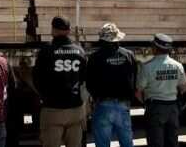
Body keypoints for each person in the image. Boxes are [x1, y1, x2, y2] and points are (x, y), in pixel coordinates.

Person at [32, 16, 87, 147]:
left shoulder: (46, 51)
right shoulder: (79, 51)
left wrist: (45, 96)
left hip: (53, 109)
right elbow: (84, 78)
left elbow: (37, 79)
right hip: (75, 109)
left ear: (53, 30)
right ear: (69, 31)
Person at [86, 23, 136, 147]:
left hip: (102, 104)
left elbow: (89, 82)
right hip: (123, 105)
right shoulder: (128, 55)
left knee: (102, 143)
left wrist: (95, 97)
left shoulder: (94, 57)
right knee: (127, 143)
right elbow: (134, 78)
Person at [135, 34, 186, 147]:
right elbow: (183, 88)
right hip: (173, 108)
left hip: (155, 108)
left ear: (154, 48)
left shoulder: (147, 67)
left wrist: (145, 104)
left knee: (156, 142)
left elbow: (138, 91)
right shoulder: (178, 66)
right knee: (172, 141)